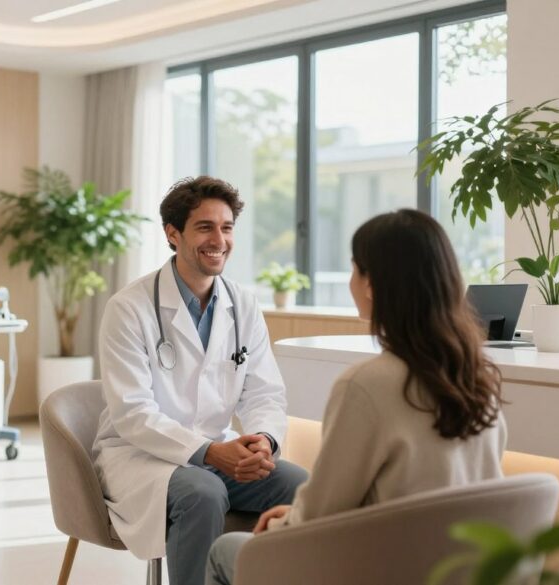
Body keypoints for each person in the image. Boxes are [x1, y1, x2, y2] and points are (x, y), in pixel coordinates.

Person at [205, 209, 507, 585]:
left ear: (371, 283)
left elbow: (323, 514)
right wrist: (294, 512)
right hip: (459, 568)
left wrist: (287, 521)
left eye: (354, 268)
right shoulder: (478, 379)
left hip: (378, 568)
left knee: (225, 551)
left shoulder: (368, 385)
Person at [92, 176, 308, 585]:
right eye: (205, 227)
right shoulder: (129, 308)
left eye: (227, 228)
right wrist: (209, 453)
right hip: (141, 456)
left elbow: (264, 390)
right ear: (173, 234)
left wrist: (263, 440)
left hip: (219, 450)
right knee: (203, 494)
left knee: (305, 488)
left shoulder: (242, 304)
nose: (219, 239)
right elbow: (133, 413)